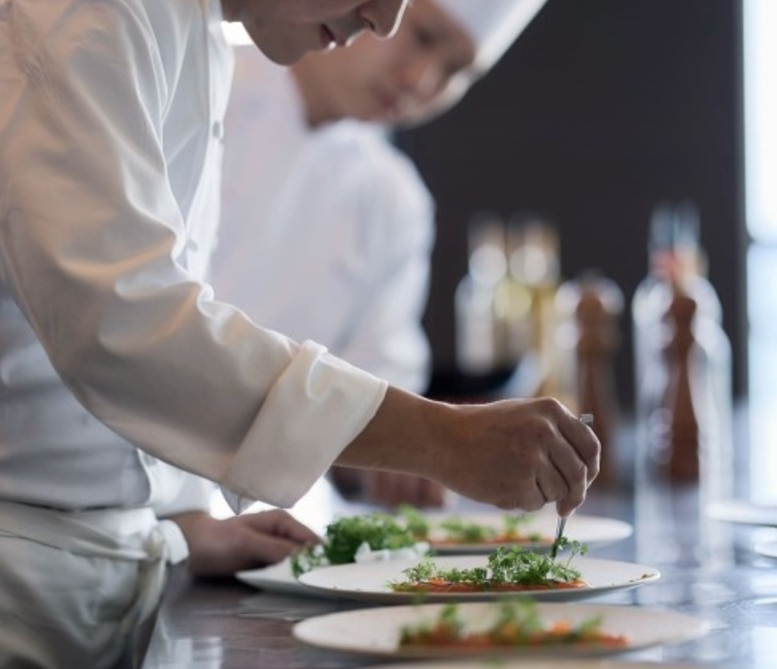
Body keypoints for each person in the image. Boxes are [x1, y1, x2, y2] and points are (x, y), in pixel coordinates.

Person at [0, 0, 600, 669]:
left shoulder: (191, 31)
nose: (384, 17)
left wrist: (182, 518)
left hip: (84, 583)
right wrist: (438, 438)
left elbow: (115, 345)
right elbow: (118, 321)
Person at [212, 0, 548, 509]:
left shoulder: (395, 199)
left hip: (266, 517)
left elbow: (380, 383)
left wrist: (408, 461)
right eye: (424, 37)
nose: (420, 80)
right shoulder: (205, 86)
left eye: (456, 71)